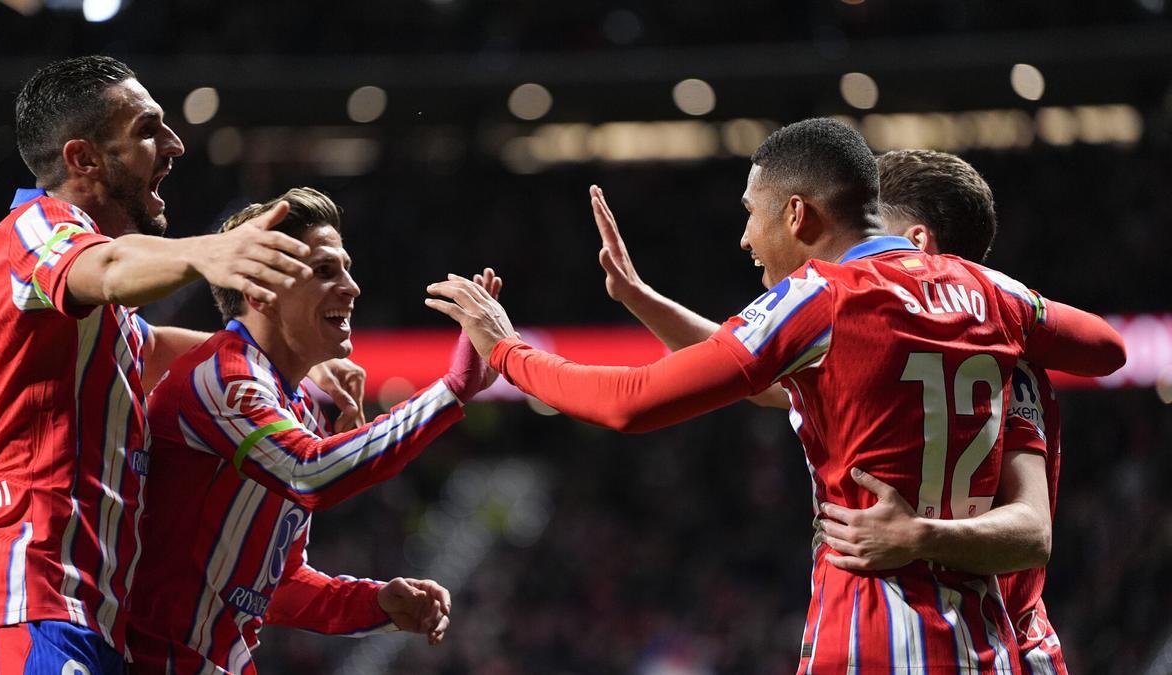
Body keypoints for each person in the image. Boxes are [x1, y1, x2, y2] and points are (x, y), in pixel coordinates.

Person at [425, 119, 1125, 672]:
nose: (743, 236)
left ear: (796, 213)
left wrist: (505, 350)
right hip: (993, 644)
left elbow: (630, 401)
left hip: (876, 636)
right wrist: (646, 301)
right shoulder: (990, 295)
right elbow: (1106, 347)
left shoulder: (820, 297)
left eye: (750, 213)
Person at [587, 147, 1069, 674]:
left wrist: (917, 536)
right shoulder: (897, 342)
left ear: (916, 243)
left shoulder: (1004, 361)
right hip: (922, 638)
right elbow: (753, 374)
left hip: (999, 644)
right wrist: (642, 299)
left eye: (874, 227)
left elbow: (1031, 533)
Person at [0, 56, 360, 673]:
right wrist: (209, 252)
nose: (175, 144)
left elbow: (148, 345)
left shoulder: (99, 313)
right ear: (83, 160)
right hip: (30, 592)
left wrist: (290, 364)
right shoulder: (35, 228)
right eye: (149, 129)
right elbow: (109, 268)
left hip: (91, 611)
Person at [126, 188, 499, 674]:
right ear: (261, 289)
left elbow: (275, 585)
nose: (351, 287)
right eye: (325, 271)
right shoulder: (222, 378)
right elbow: (311, 471)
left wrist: (375, 604)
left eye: (346, 268)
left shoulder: (296, 410)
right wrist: (450, 391)